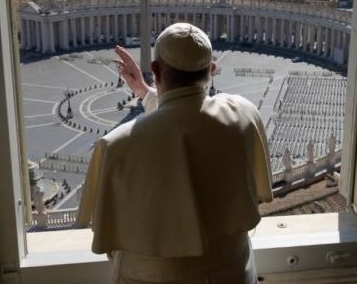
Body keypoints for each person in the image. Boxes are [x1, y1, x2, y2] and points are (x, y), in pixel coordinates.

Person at [76, 23, 273, 284]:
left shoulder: (115, 145)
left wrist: (148, 91)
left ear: (156, 69)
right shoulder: (245, 113)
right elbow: (190, 112)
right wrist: (145, 93)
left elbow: (107, 237)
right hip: (234, 272)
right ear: (212, 70)